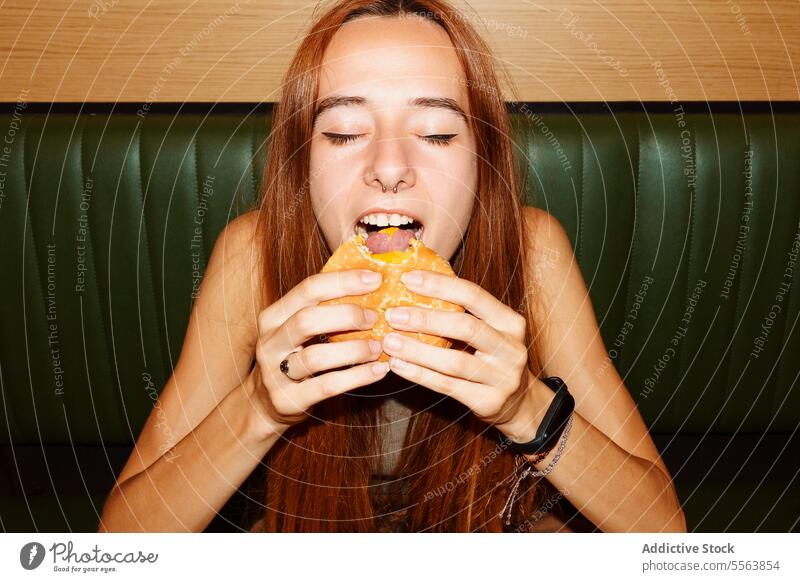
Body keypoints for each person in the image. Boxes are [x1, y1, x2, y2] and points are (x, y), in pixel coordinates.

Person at [98, 0, 686, 533]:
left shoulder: (533, 250)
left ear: (483, 161)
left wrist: (525, 409)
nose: (389, 165)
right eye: (344, 131)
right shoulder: (253, 256)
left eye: (434, 132)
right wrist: (259, 407)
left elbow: (663, 533)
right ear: (304, 163)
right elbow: (118, 543)